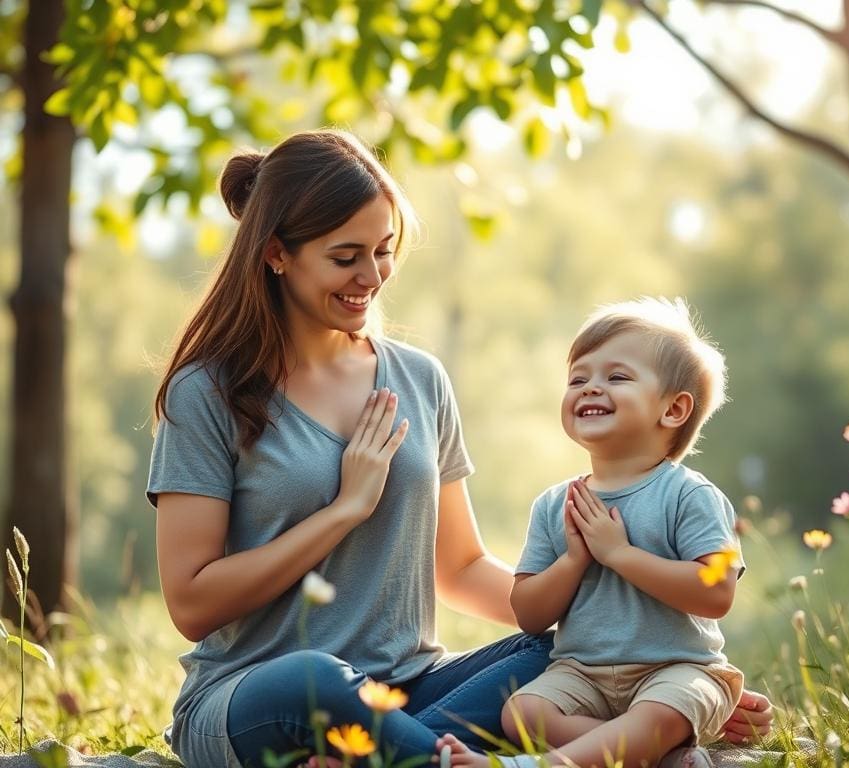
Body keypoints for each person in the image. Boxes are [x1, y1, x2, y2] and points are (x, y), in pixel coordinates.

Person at [147, 130, 772, 768]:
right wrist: (343, 509)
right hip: (257, 698)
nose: (371, 277)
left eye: (384, 251)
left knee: (547, 651)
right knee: (316, 680)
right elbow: (192, 604)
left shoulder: (420, 380)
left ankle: (387, 756)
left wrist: (667, 677)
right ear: (278, 253)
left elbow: (462, 567)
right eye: (345, 257)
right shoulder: (208, 391)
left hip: (412, 694)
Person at [438, 298, 750, 768]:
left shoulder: (692, 496)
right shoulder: (554, 504)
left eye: (616, 377)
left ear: (674, 409)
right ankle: (660, 758)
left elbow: (718, 591)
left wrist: (620, 555)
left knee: (657, 715)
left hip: (677, 670)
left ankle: (526, 766)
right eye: (578, 378)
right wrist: (573, 561)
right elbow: (528, 614)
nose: (590, 389)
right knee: (521, 713)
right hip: (583, 673)